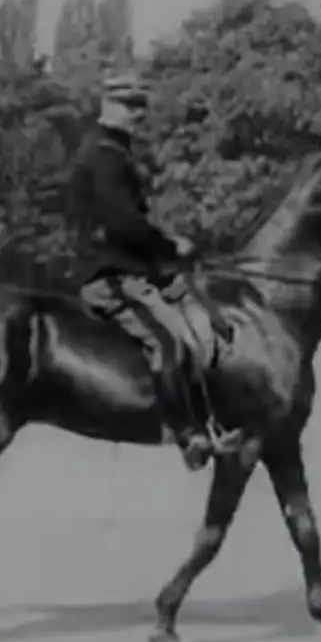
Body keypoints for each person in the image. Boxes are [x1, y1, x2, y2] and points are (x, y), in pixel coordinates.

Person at [66, 72, 230, 472]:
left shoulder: (113, 150)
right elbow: (123, 224)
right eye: (131, 107)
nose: (138, 115)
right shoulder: (103, 154)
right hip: (110, 276)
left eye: (140, 107)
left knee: (198, 317)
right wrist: (170, 244)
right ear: (109, 105)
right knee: (168, 341)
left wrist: (165, 262)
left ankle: (211, 418)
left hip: (130, 269)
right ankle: (186, 434)